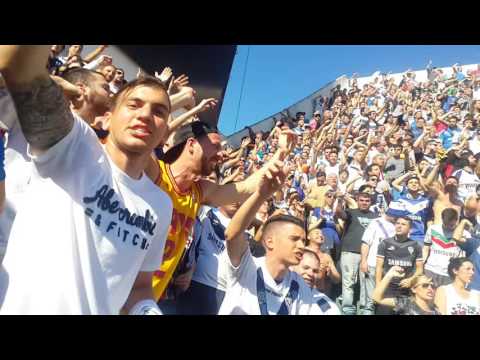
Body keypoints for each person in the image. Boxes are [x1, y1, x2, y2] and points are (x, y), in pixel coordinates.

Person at [0, 45, 172, 315]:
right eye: (134, 105)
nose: (145, 115)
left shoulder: (161, 205)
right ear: (106, 118)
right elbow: (14, 62)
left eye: (159, 111)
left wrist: (148, 310)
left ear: (165, 133)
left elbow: (139, 287)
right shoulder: (72, 145)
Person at [144, 121, 297, 307]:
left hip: (148, 300)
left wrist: (281, 152)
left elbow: (245, 187)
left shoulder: (200, 191)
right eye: (215, 145)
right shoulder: (152, 172)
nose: (222, 153)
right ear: (192, 144)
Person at [218, 161, 337, 315]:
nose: (301, 245)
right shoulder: (247, 266)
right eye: (294, 239)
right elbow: (232, 234)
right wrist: (261, 195)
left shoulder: (300, 286)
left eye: (302, 240)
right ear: (270, 241)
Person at [176, 199, 241, 315]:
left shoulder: (242, 227)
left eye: (241, 198)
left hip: (222, 290)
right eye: (234, 196)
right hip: (195, 282)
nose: (236, 201)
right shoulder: (205, 211)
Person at [336, 192, 377, 315]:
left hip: (368, 253)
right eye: (362, 200)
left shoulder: (376, 216)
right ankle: (348, 308)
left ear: (371, 202)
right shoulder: (351, 212)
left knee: (366, 282)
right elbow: (338, 213)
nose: (364, 202)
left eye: (367, 200)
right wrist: (339, 200)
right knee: (349, 281)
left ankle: (365, 309)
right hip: (349, 251)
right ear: (357, 201)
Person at [375, 216, 424, 315]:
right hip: (388, 287)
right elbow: (378, 268)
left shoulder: (416, 246)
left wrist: (411, 280)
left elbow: (420, 270)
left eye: (403, 224)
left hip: (405, 289)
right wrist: (379, 286)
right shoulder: (385, 243)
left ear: (410, 229)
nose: (399, 226)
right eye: (397, 223)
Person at [359, 209, 397, 315]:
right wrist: (363, 261)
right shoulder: (375, 222)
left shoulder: (398, 225)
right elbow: (366, 243)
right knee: (370, 301)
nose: (396, 218)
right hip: (372, 265)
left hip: (389, 269)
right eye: (395, 214)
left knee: (384, 302)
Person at [423, 208, 466, 287]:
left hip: (449, 274)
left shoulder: (464, 233)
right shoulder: (433, 229)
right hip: (431, 270)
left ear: (456, 220)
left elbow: (464, 257)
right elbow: (426, 248)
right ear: (442, 219)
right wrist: (423, 264)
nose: (448, 227)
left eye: (451, 225)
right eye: (446, 224)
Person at [372, 266, 440, 315]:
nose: (430, 288)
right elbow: (377, 298)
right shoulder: (405, 303)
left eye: (433, 286)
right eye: (425, 285)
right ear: (414, 289)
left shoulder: (435, 311)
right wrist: (389, 275)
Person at [292, 248, 341, 314]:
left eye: (315, 271)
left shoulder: (325, 304)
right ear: (292, 267)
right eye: (306, 268)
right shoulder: (278, 293)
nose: (310, 273)